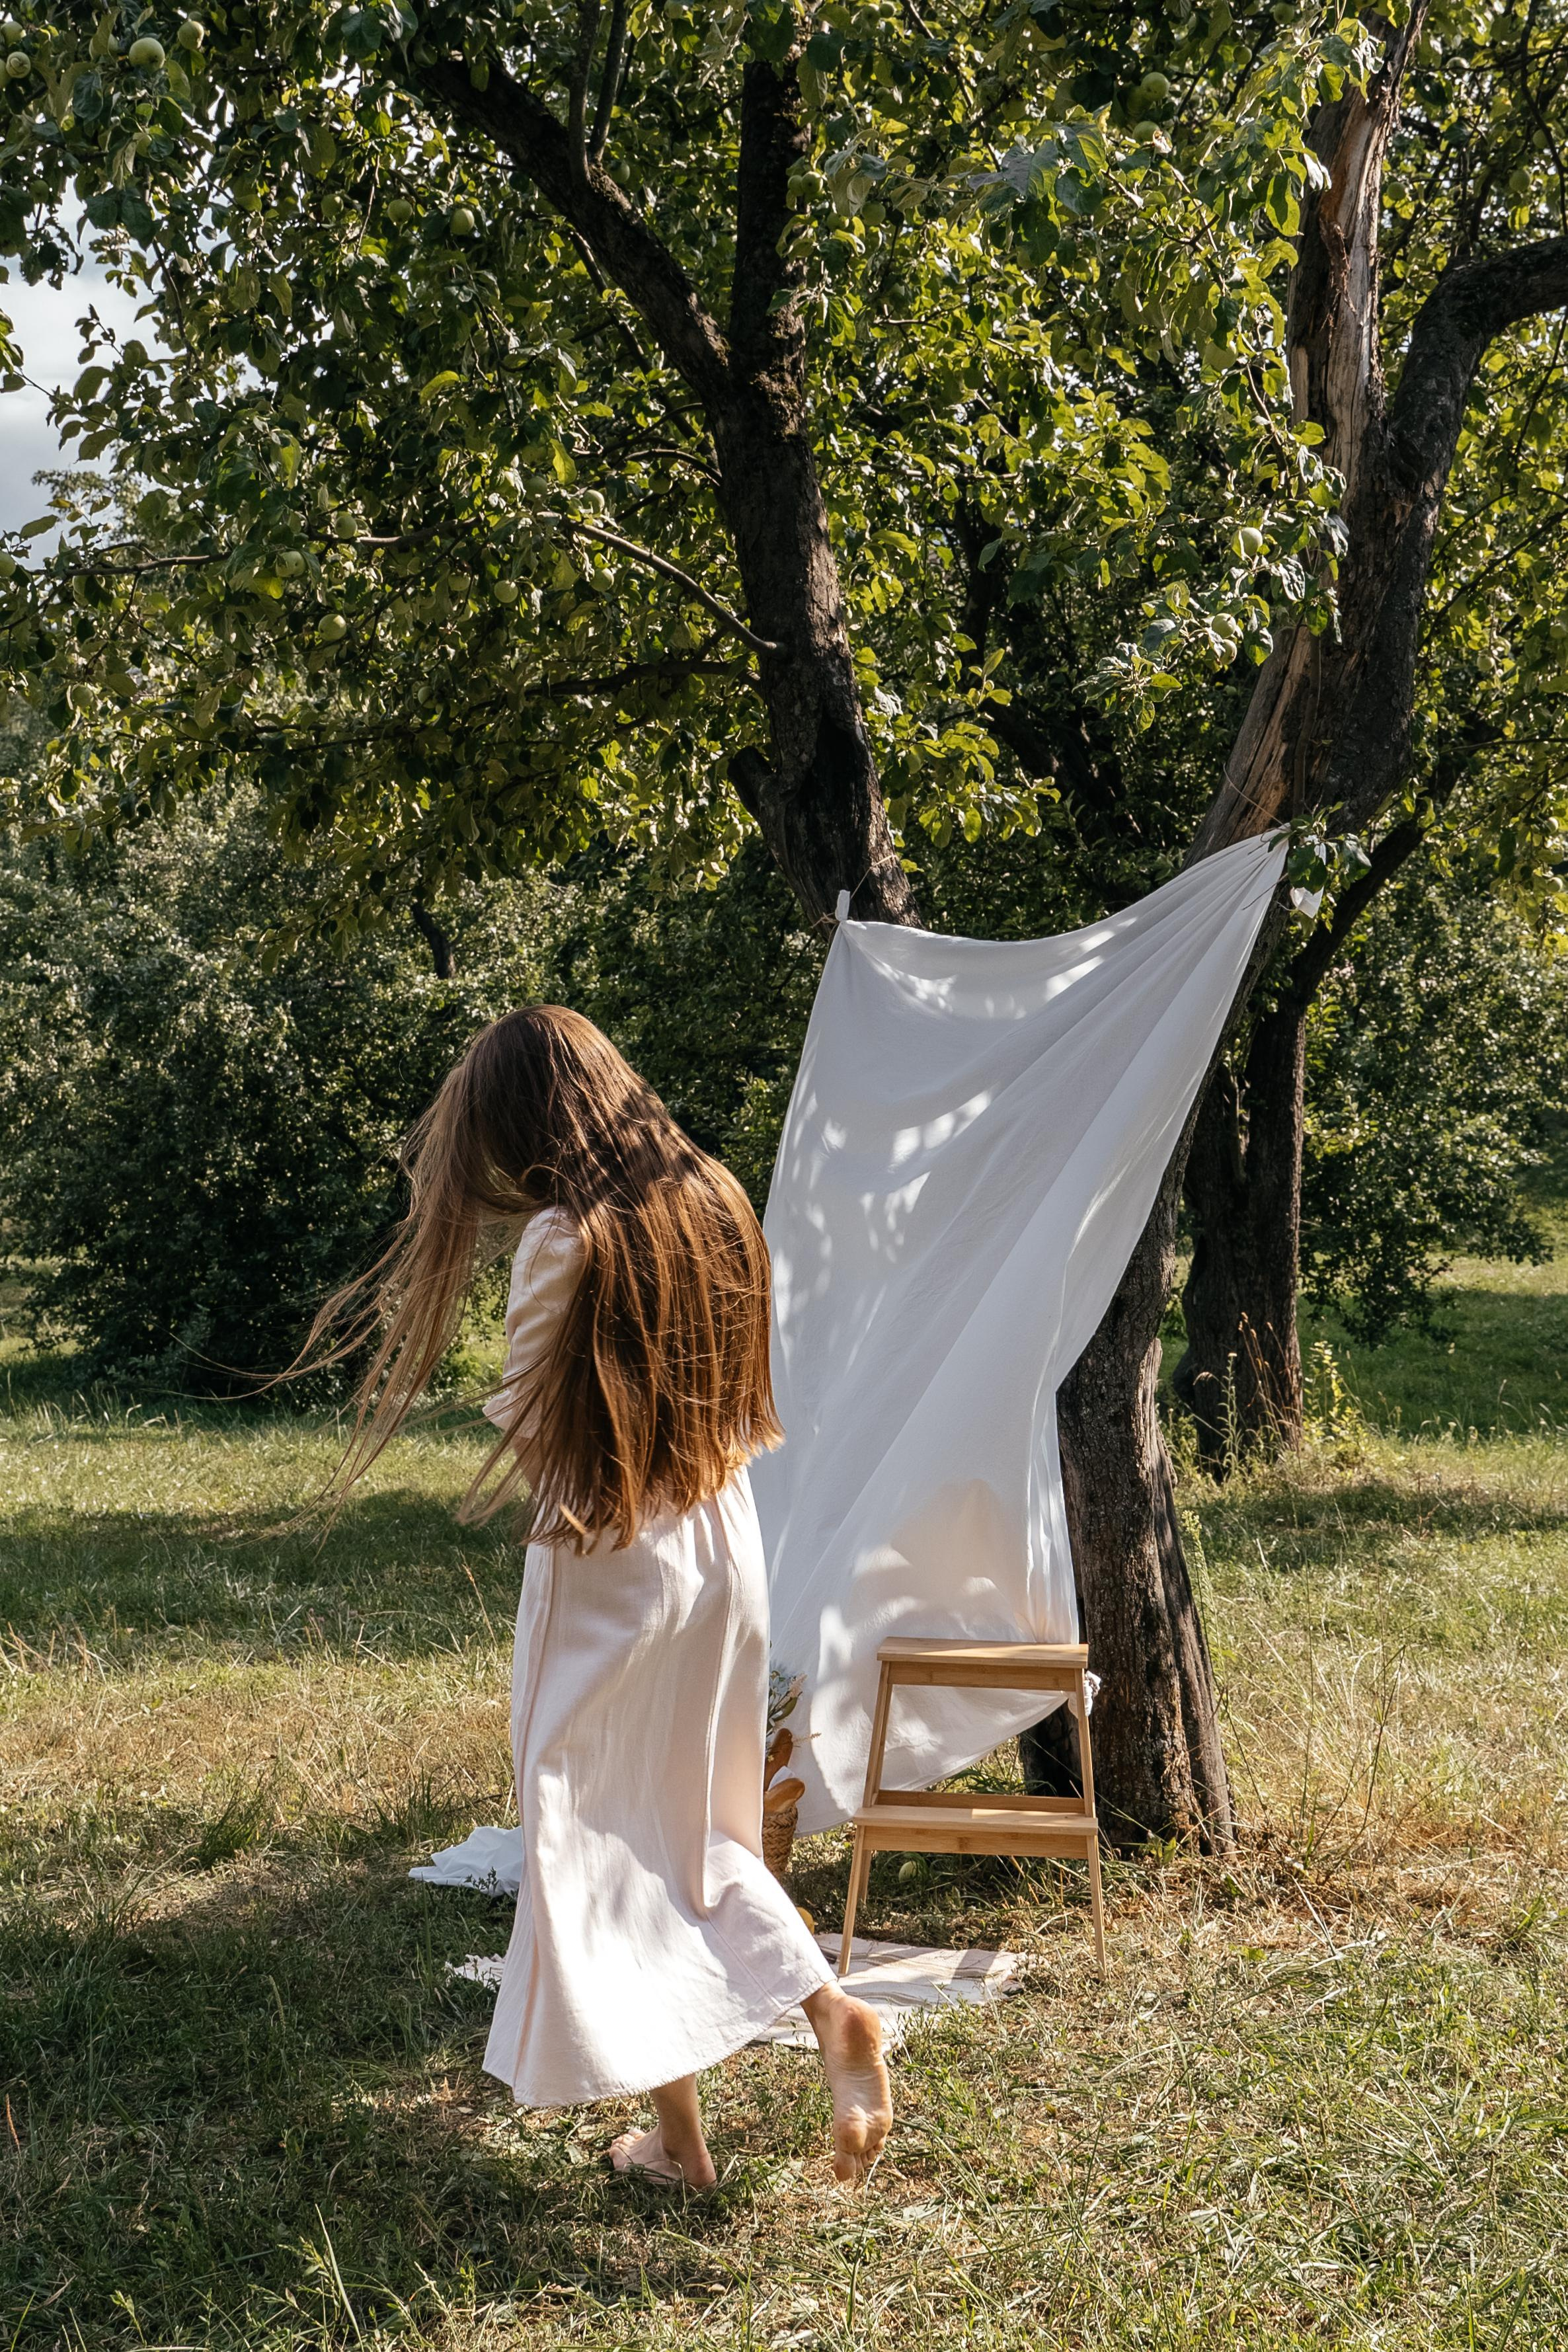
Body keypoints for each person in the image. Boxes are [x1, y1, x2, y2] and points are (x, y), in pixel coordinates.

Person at [303, 1004, 892, 2187]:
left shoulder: (567, 1234)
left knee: (588, 1835)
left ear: (527, 1120)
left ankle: (735, 2092)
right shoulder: (710, 1197)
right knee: (696, 1833)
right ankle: (773, 2064)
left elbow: (533, 1428)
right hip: (724, 1547)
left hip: (611, 1552)